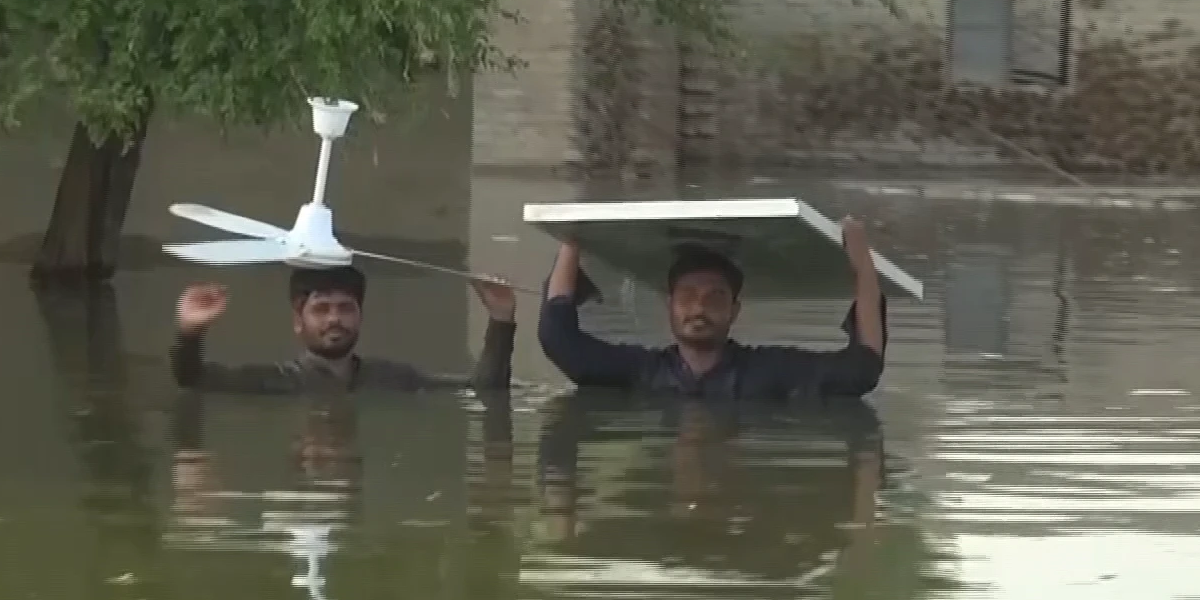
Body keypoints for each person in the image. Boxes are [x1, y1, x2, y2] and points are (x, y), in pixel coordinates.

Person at [537, 216, 887, 401]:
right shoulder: (643, 373)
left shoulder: (765, 373)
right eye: (687, 296)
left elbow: (862, 369)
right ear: (669, 306)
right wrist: (573, 238)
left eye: (715, 297)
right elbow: (560, 341)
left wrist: (861, 261)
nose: (699, 307)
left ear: (735, 311)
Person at [171, 264, 516, 393]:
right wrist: (189, 331)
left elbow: (483, 391)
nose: (334, 319)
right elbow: (193, 381)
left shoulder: (393, 379)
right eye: (321, 310)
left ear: (360, 316)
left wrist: (501, 319)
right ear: (297, 320)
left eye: (345, 309)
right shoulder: (275, 383)